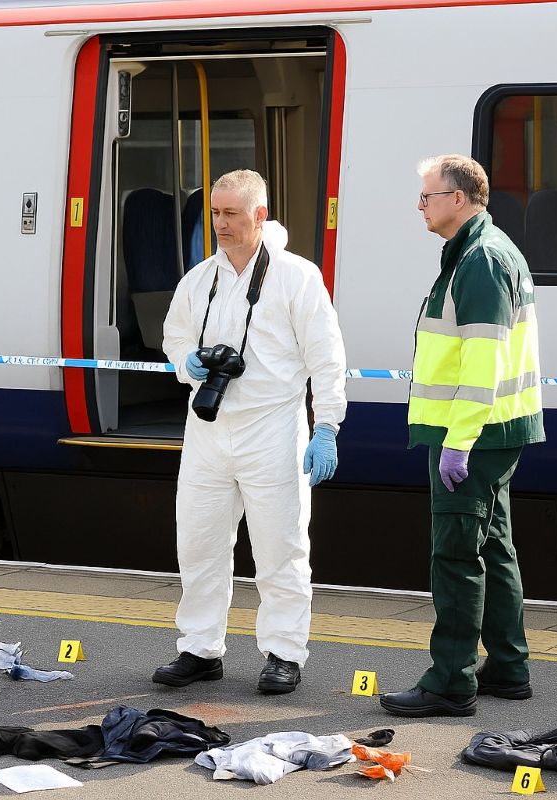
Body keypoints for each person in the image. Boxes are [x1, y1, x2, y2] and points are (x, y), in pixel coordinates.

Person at [155, 169, 347, 694]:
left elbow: (326, 356)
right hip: (208, 432)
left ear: (259, 215)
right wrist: (187, 363)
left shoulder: (296, 277)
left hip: (274, 431)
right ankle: (199, 649)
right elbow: (174, 337)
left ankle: (284, 653)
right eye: (215, 213)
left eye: (231, 214)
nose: (220, 224)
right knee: (199, 546)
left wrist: (327, 425)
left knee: (281, 549)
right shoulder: (199, 279)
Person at [379, 154, 545, 718]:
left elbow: (482, 361)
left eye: (427, 196)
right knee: (493, 546)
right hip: (492, 430)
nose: (420, 205)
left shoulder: (480, 260)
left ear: (459, 199)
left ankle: (450, 683)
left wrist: (458, 440)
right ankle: (509, 667)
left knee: (455, 554)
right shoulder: (479, 252)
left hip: (474, 433)